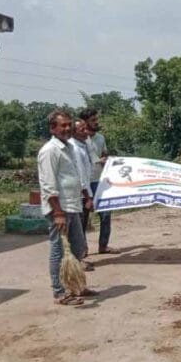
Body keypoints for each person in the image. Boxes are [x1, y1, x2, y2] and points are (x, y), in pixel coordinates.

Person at [37, 109, 98, 306]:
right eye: (62, 125)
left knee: (79, 248)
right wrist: (57, 212)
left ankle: (76, 285)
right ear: (52, 128)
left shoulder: (69, 147)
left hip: (73, 205)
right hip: (60, 208)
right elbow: (48, 184)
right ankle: (59, 292)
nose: (67, 128)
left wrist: (86, 196)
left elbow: (77, 176)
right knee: (59, 251)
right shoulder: (49, 151)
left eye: (68, 124)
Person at [81, 108, 119, 255]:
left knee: (105, 213)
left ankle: (103, 245)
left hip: (99, 180)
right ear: (85, 122)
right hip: (85, 181)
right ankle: (82, 247)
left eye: (96, 119)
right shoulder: (79, 139)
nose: (96, 122)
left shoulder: (100, 138)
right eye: (93, 120)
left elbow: (104, 155)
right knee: (83, 215)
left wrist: (108, 162)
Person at [68, 119, 94, 267]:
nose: (86, 132)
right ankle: (77, 258)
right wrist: (88, 197)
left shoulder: (82, 145)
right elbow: (81, 174)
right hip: (80, 194)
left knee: (80, 227)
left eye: (86, 129)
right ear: (74, 132)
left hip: (81, 192)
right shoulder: (75, 149)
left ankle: (79, 256)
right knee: (78, 229)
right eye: (82, 130)